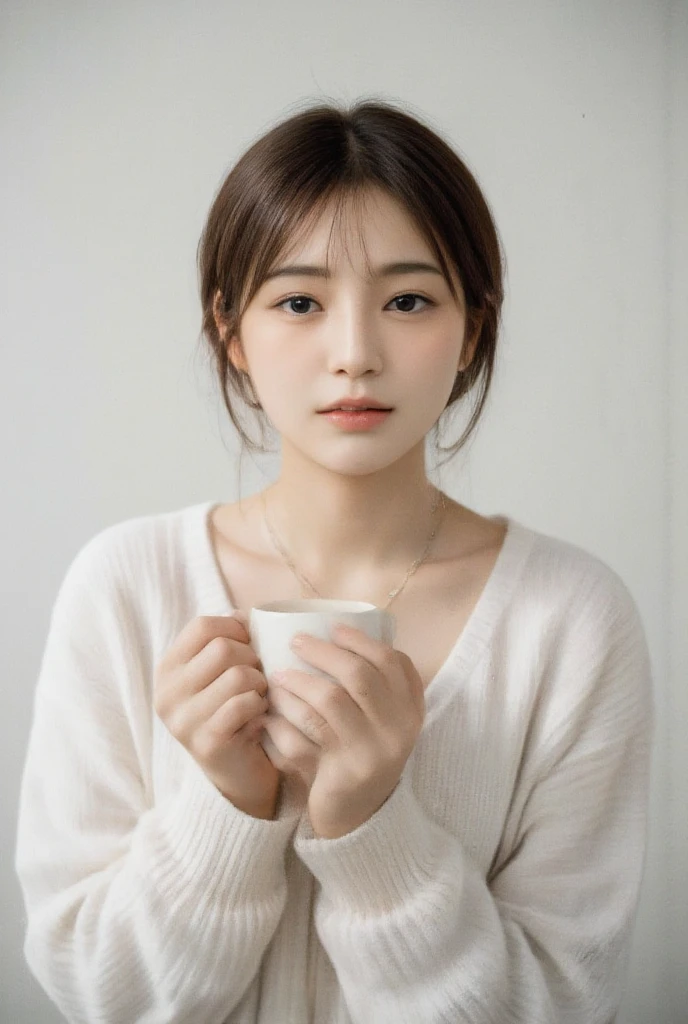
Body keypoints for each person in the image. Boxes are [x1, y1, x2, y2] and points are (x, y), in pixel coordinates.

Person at [15, 99, 655, 1024]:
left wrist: (370, 824)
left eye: (407, 300)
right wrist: (229, 807)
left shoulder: (572, 619)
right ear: (231, 331)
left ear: (472, 328)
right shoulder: (124, 586)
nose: (354, 355)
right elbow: (95, 994)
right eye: (300, 302)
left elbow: (555, 1004)